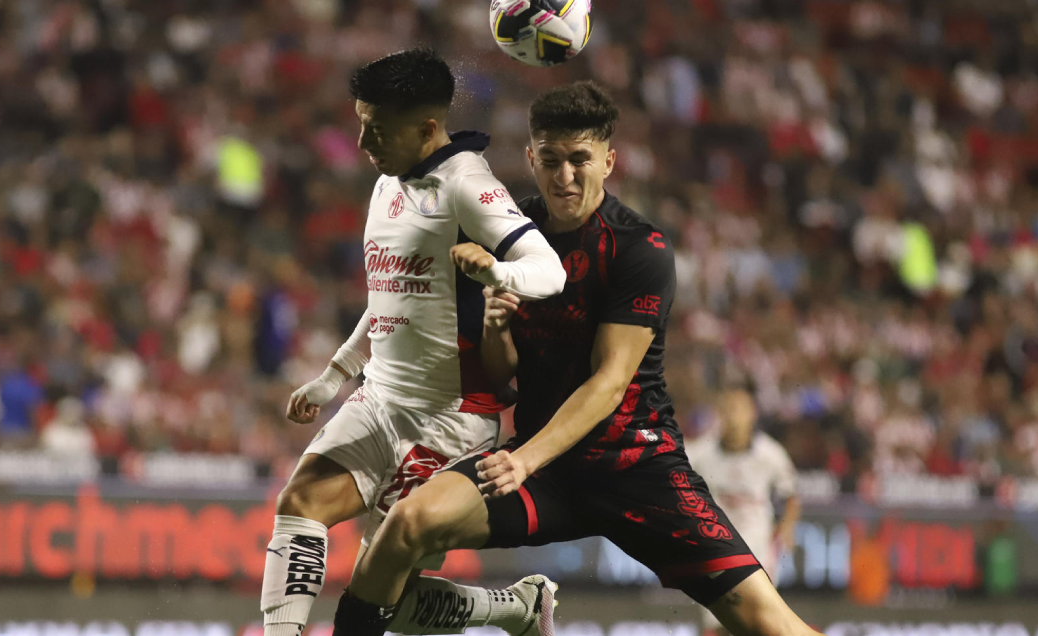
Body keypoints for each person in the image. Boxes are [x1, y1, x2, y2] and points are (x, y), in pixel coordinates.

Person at [332, 81, 823, 636]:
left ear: (608, 161)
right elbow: (504, 378)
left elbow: (610, 383)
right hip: (547, 471)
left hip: (636, 467)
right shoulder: (510, 234)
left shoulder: (640, 248)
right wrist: (496, 331)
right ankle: (512, 609)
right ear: (530, 158)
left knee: (765, 620)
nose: (564, 176)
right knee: (406, 525)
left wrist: (524, 460)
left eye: (579, 160)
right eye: (551, 160)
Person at [260, 48, 566, 636]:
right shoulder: (387, 185)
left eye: (376, 128)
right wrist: (334, 374)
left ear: (428, 128)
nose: (361, 142)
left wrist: (495, 274)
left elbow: (548, 271)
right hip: (379, 401)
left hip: (447, 421)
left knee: (390, 600)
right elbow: (389, 296)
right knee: (299, 505)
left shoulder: (467, 183)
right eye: (360, 122)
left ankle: (517, 607)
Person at [686, 388, 801, 634]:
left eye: (738, 409)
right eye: (727, 409)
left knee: (759, 620)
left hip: (757, 550)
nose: (732, 416)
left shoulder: (770, 455)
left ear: (752, 414)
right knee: (717, 625)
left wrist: (787, 528)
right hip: (714, 549)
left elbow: (791, 495)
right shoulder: (700, 454)